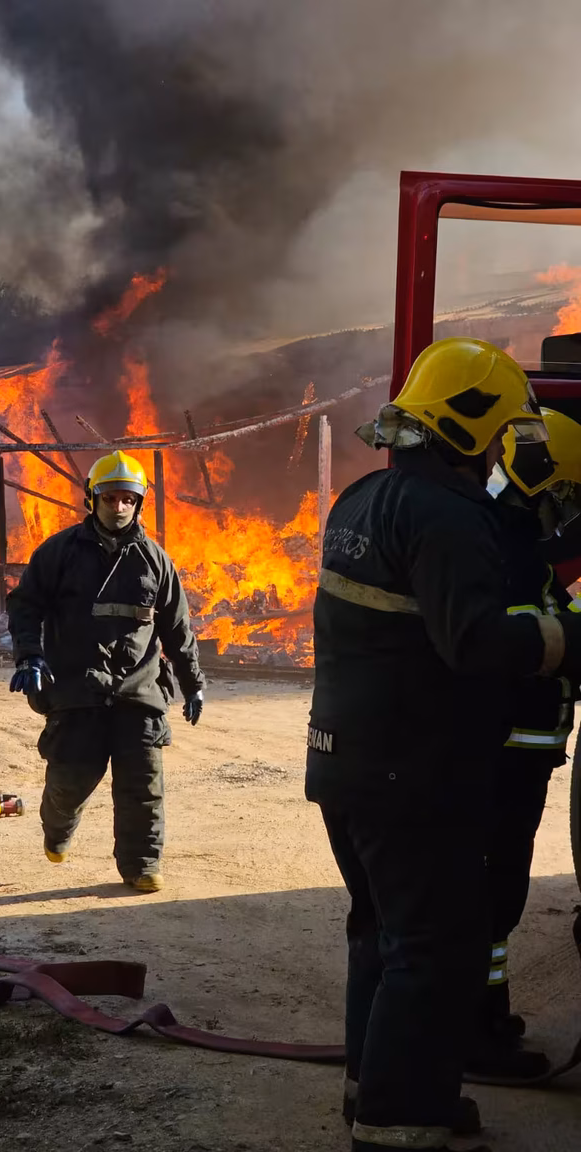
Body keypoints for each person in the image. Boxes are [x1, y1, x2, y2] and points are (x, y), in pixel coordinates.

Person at [306, 337, 581, 1152]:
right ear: (471, 426)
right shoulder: (448, 516)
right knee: (435, 948)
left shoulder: (362, 498)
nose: (502, 454)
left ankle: (376, 1091)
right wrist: (568, 637)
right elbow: (476, 642)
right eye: (501, 435)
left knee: (380, 933)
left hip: (345, 761)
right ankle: (398, 1124)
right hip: (412, 770)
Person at [6, 449, 205, 893]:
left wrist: (193, 684)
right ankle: (57, 827)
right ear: (92, 499)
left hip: (139, 692)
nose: (119, 507)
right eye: (111, 498)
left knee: (143, 786)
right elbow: (25, 606)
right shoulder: (58, 553)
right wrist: (30, 656)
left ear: (139, 503)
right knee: (70, 780)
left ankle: (142, 865)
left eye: (127, 500)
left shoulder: (156, 561)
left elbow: (177, 629)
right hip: (77, 689)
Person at [473, 407, 581, 1078]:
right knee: (489, 894)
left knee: (499, 893)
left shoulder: (515, 544)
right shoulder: (507, 554)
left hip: (519, 756)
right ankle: (474, 1038)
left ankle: (488, 1017)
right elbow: (518, 639)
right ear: (548, 483)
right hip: (503, 756)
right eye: (569, 497)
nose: (568, 514)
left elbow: (553, 606)